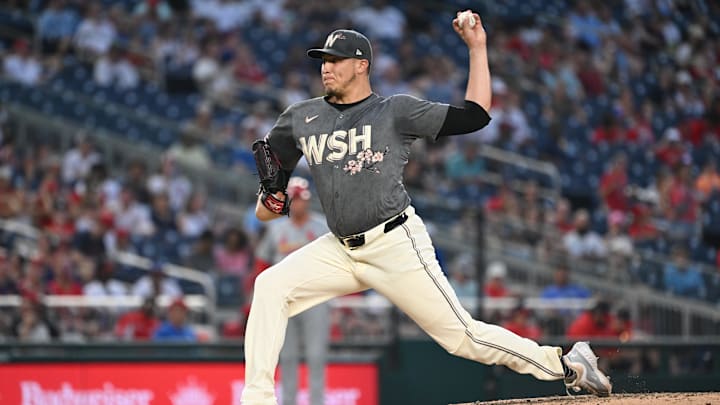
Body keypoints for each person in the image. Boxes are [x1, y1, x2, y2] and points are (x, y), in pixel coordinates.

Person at [241, 12, 611, 405]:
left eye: (335, 60)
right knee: (270, 286)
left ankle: (567, 365)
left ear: (361, 65)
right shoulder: (302, 117)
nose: (326, 68)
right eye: (324, 61)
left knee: (462, 337)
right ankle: (257, 399)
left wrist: (478, 48)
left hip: (394, 242)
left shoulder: (394, 111)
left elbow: (475, 116)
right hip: (339, 247)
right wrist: (271, 201)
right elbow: (267, 208)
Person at [253, 177, 331, 405]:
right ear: (289, 201)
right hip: (284, 300)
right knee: (287, 358)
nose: (299, 204)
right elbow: (262, 262)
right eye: (295, 200)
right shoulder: (277, 228)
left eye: (302, 200)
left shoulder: (321, 227)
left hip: (315, 296)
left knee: (317, 357)